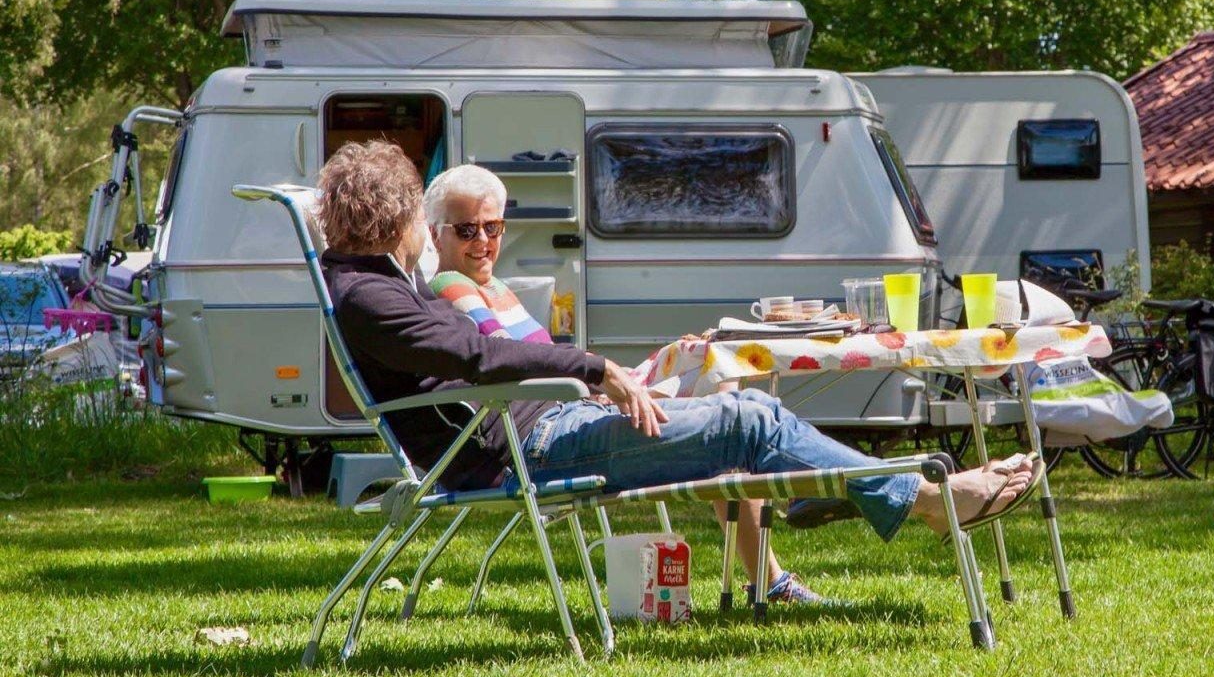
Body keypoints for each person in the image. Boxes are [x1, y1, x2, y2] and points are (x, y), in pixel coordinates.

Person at [317, 141, 1039, 562]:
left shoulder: (372, 282)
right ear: (401, 215)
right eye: (423, 214)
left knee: (745, 414)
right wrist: (593, 368)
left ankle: (893, 496)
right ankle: (927, 498)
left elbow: (477, 356)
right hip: (528, 447)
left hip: (538, 428)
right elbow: (476, 357)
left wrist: (611, 376)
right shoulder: (373, 292)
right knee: (749, 420)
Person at [421, 162, 825, 604]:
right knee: (734, 414)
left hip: (573, 411)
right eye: (466, 230)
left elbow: (543, 368)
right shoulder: (450, 288)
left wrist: (655, 368)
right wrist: (608, 382)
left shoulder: (494, 288)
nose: (483, 242)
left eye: (493, 228)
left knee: (722, 382)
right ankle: (798, 520)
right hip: (549, 435)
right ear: (434, 231)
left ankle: (774, 565)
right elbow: (517, 374)